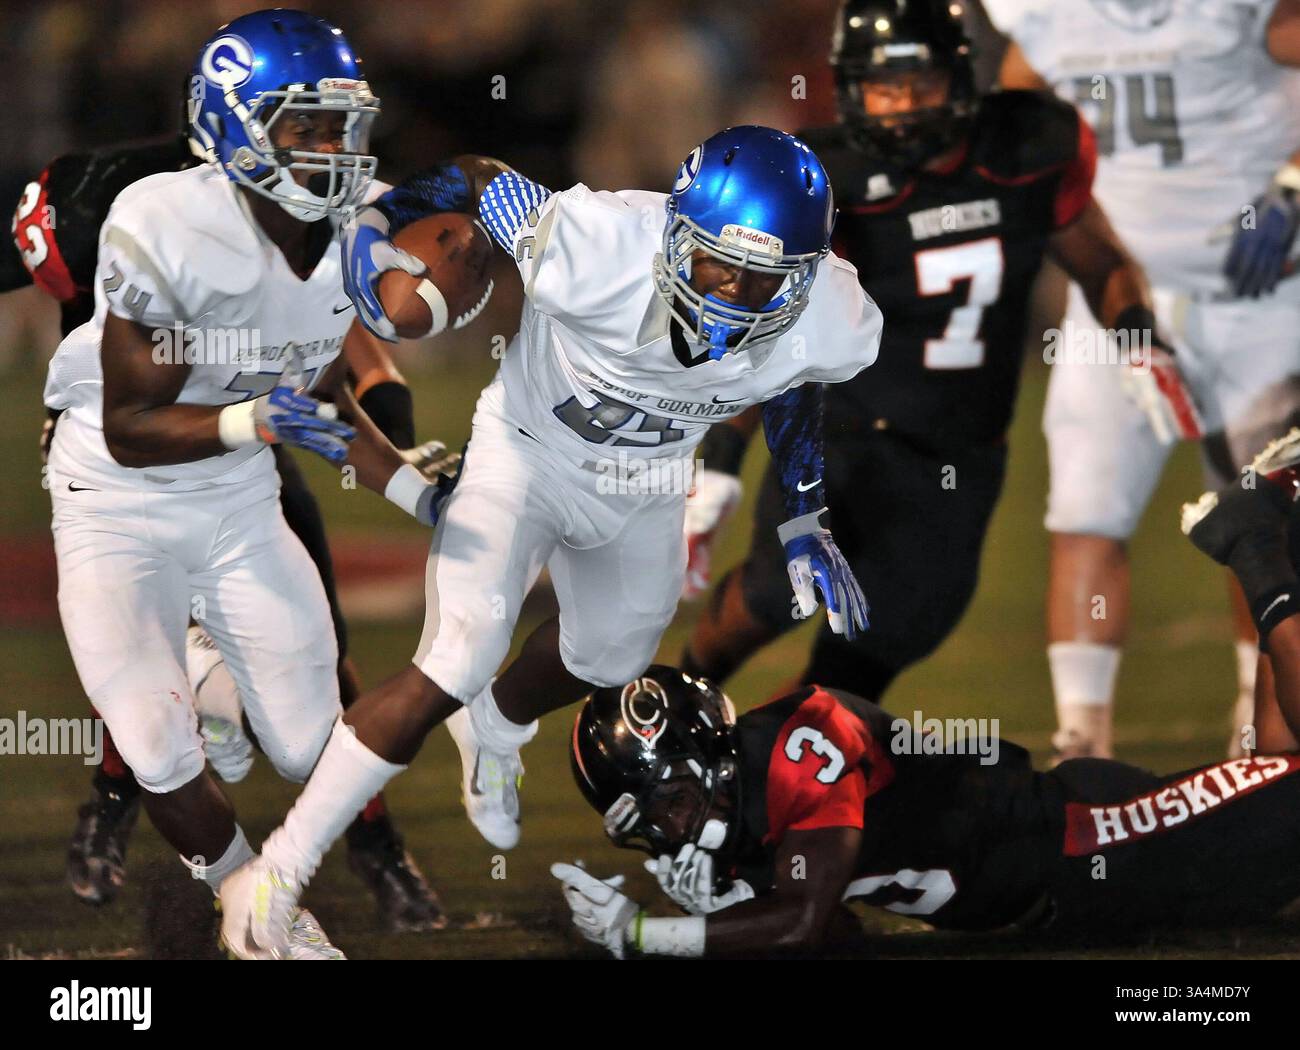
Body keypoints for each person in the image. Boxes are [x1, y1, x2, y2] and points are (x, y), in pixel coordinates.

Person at [217, 124, 883, 958]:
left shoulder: (830, 313)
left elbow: (790, 383)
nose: (731, 294)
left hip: (648, 484)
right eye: (718, 264)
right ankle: (274, 876)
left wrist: (802, 515)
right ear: (678, 232)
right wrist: (379, 222)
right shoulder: (594, 242)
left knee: (609, 657)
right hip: (525, 455)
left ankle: (494, 727)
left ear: (805, 277)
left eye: (762, 282)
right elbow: (479, 171)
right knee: (456, 655)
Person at [43, 9, 452, 959]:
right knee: (154, 746)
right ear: (231, 126)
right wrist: (253, 422)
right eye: (303, 125)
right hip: (116, 496)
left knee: (320, 752)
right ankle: (255, 904)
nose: (331, 148)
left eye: (341, 124)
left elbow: (316, 397)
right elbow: (130, 425)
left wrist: (420, 496)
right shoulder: (160, 219)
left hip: (235, 497)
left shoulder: (362, 227)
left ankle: (205, 671)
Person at [681, 0, 1196, 704]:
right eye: (880, 87)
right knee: (776, 592)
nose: (898, 107)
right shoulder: (830, 177)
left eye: (916, 84)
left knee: (878, 651)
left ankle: (776, 771)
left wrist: (1139, 339)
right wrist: (720, 463)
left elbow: (1100, 260)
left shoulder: (1026, 146)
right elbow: (765, 325)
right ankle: (669, 697)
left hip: (961, 454)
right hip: (845, 432)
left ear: (959, 77)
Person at [984, 0, 1300, 759]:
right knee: (1086, 512)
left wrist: (1292, 182)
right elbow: (1016, 104)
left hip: (1259, 301)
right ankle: (1081, 742)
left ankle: (1255, 732)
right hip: (1119, 299)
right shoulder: (1052, 16)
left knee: (1260, 518)